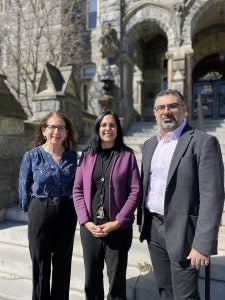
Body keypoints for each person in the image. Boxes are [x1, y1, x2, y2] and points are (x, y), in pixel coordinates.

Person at [137, 89, 224, 300]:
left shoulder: (203, 142)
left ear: (184, 109)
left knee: (185, 296)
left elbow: (212, 197)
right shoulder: (150, 145)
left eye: (172, 106)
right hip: (153, 229)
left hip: (184, 232)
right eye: (161, 107)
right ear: (155, 113)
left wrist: (202, 245)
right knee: (165, 291)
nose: (166, 112)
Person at [73, 111, 141, 300]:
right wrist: (86, 222)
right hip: (90, 229)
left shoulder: (127, 156)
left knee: (117, 282)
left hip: (118, 230)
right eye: (103, 125)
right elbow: (77, 190)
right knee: (92, 281)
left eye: (112, 125)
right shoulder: (87, 156)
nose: (108, 129)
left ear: (118, 129)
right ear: (97, 128)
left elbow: (135, 192)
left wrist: (118, 222)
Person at [18, 112, 77, 300]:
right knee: (40, 264)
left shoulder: (72, 157)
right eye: (52, 126)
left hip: (67, 212)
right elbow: (23, 186)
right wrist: (34, 210)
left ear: (66, 132)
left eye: (61, 127)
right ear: (44, 130)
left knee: (62, 264)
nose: (56, 131)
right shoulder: (32, 156)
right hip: (40, 210)